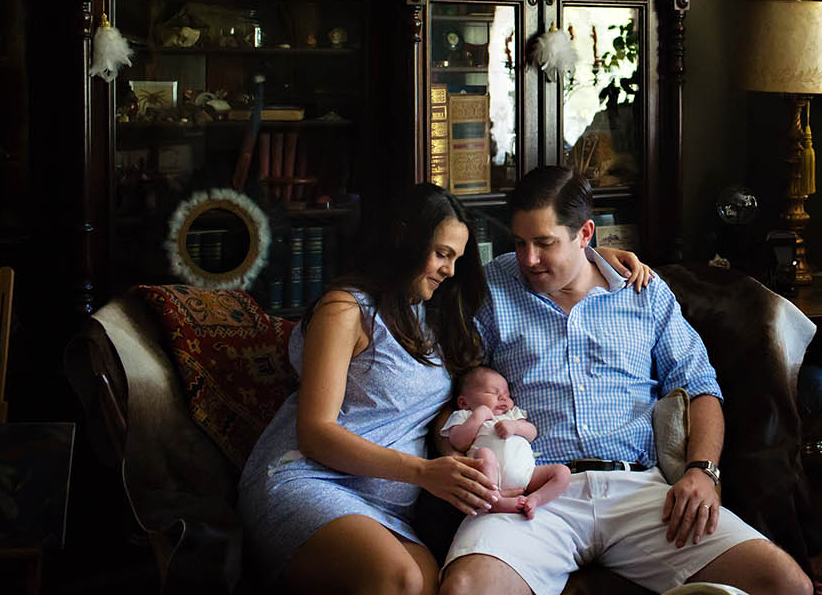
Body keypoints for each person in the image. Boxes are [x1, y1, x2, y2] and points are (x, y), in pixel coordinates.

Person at [238, 182, 651, 592]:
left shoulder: (434, 317)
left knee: (426, 584)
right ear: (404, 238)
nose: (449, 270)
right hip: (310, 479)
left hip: (384, 507)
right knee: (400, 579)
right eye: (441, 254)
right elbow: (315, 434)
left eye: (455, 258)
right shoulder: (346, 309)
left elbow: (526, 271)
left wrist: (594, 256)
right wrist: (423, 472)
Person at [439, 166, 812, 595]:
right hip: (532, 493)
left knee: (787, 585)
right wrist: (451, 457)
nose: (529, 259)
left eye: (545, 243)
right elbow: (448, 393)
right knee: (464, 589)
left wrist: (703, 472)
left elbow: (700, 388)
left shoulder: (644, 292)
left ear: (585, 233)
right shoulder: (492, 288)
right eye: (519, 243)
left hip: (639, 491)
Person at [439, 365, 570, 518]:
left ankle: (535, 499)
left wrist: (515, 426)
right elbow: (457, 442)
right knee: (484, 454)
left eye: (507, 395)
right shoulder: (464, 415)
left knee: (562, 472)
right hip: (490, 475)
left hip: (528, 475)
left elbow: (532, 432)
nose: (503, 398)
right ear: (463, 402)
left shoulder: (513, 414)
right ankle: (495, 500)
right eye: (492, 392)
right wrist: (478, 416)